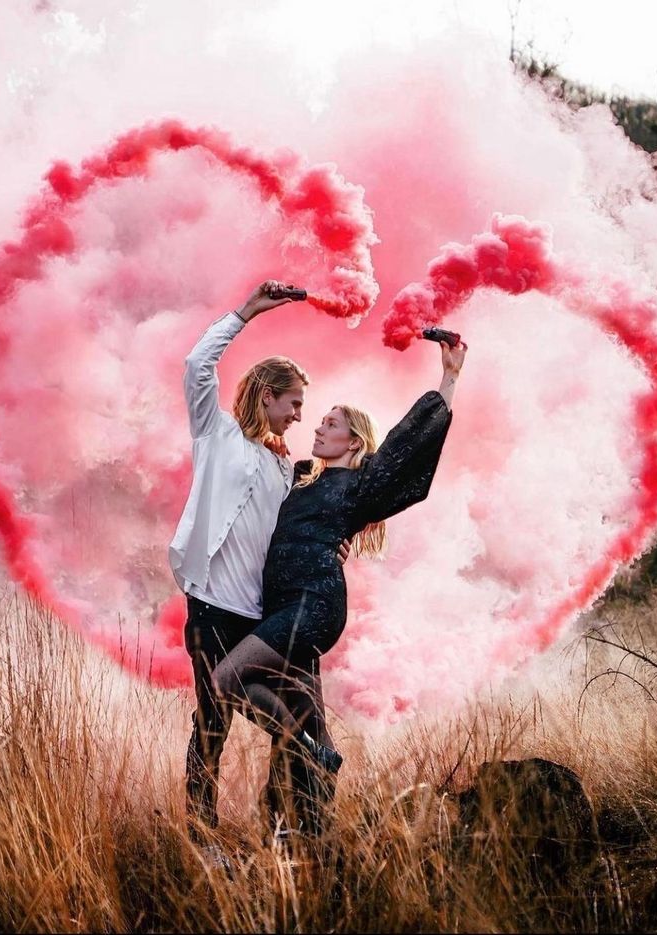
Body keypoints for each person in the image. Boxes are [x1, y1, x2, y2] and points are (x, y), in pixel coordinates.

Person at [210, 338, 466, 770]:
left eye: (330, 424)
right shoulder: (301, 475)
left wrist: (450, 376)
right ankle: (313, 821)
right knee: (312, 713)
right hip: (282, 605)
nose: (317, 428)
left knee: (226, 680)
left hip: (314, 606)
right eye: (320, 421)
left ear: (353, 442)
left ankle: (306, 749)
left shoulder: (360, 487)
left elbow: (408, 445)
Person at [168, 280, 349, 855]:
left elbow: (303, 529)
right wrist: (246, 313)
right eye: (293, 402)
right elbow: (199, 363)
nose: (299, 416)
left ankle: (289, 824)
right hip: (212, 605)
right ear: (268, 395)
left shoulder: (288, 471)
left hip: (263, 617)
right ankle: (200, 827)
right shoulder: (216, 435)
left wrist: (331, 548)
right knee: (212, 720)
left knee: (287, 709)